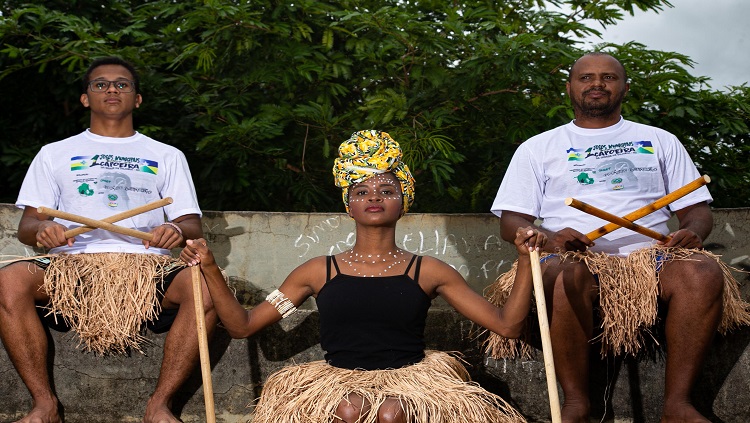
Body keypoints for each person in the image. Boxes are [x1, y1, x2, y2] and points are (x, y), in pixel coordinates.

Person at [180, 129, 546, 423]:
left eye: (387, 190)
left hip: (409, 382)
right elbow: (244, 325)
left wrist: (525, 260)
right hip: (339, 382)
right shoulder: (317, 271)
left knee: (390, 413)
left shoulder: (429, 270)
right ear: (349, 204)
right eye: (362, 191)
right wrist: (211, 269)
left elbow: (507, 326)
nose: (374, 197)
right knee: (350, 408)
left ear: (403, 202)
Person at [487, 51, 750, 423]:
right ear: (569, 89)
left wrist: (692, 231)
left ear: (625, 87)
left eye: (608, 77)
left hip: (653, 259)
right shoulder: (538, 147)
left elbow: (696, 209)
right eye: (586, 77)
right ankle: (577, 402)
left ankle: (678, 404)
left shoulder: (659, 140)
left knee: (702, 271)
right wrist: (549, 238)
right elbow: (511, 220)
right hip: (572, 257)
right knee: (564, 274)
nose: (597, 84)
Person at [0, 56, 217, 423]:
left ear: (137, 99)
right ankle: (43, 405)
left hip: (147, 269)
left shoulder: (166, 155)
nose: (111, 89)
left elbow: (191, 226)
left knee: (207, 290)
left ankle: (159, 406)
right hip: (73, 268)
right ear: (86, 98)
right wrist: (43, 231)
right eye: (100, 84)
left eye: (122, 84)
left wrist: (176, 231)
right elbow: (27, 226)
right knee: (8, 281)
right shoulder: (54, 154)